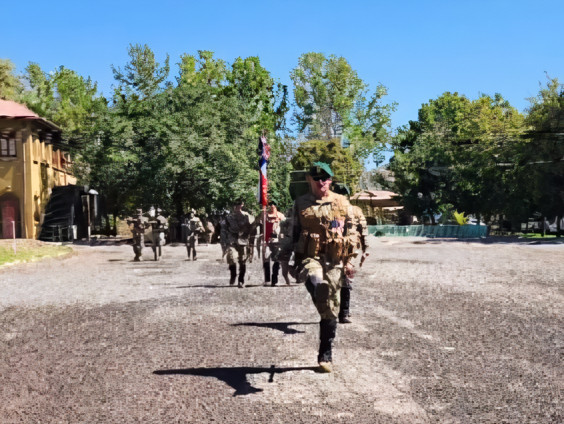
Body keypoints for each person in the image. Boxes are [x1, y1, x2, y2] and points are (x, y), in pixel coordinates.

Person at [290, 161, 354, 373]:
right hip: (311, 257)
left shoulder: (342, 203)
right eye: (316, 178)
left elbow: (351, 233)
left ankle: (325, 354)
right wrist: (283, 259)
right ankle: (318, 287)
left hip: (335, 261)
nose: (321, 182)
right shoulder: (301, 203)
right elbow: (292, 233)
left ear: (331, 180)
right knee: (313, 274)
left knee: (329, 310)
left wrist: (350, 260)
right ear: (309, 180)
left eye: (325, 178)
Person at [339, 204, 369, 324]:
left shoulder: (356, 211)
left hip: (350, 253)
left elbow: (363, 231)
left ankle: (344, 312)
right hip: (332, 251)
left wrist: (365, 250)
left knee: (345, 281)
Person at [224, 199, 255, 287]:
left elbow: (252, 228)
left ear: (242, 205)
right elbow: (224, 230)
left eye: (239, 204)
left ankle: (241, 280)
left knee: (242, 261)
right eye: (235, 204)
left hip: (243, 241)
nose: (237, 206)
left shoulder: (248, 216)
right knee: (232, 258)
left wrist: (251, 243)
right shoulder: (229, 217)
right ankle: (233, 275)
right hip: (232, 241)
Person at [261, 201, 286, 286]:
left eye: (273, 205)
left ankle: (274, 279)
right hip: (267, 240)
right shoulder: (265, 216)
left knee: (276, 259)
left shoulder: (281, 216)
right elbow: (261, 225)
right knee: (266, 259)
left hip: (277, 241)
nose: (272, 206)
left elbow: (285, 227)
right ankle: (267, 279)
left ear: (276, 206)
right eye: (270, 205)